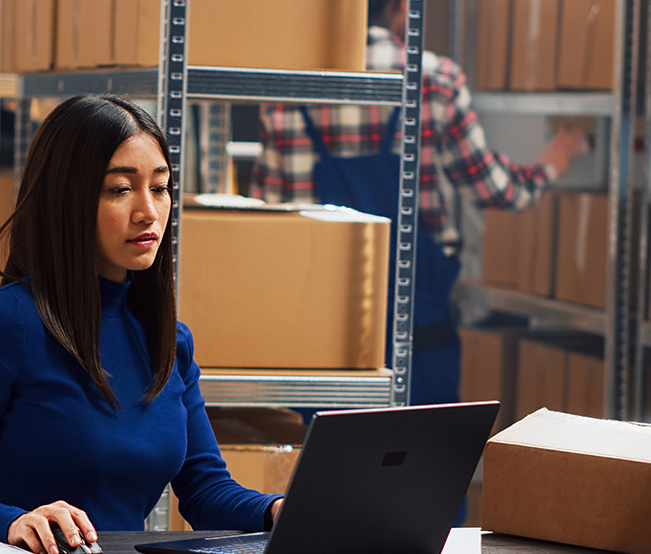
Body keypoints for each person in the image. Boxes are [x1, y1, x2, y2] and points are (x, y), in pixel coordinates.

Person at [0, 95, 283, 554]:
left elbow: (205, 492)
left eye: (160, 188)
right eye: (120, 190)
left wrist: (279, 509)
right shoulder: (5, 324)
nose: (149, 212)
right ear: (67, 199)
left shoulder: (169, 340)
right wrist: (14, 521)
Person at [250, 0, 586, 405]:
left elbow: (263, 217)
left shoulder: (284, 82)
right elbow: (494, 189)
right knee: (419, 459)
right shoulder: (435, 79)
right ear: (400, 7)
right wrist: (550, 165)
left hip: (315, 325)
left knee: (325, 460)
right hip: (417, 326)